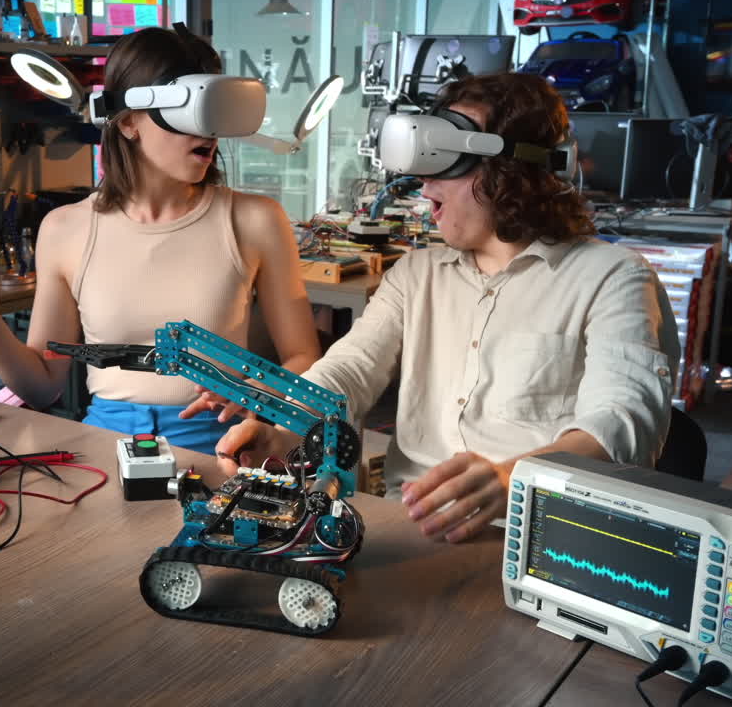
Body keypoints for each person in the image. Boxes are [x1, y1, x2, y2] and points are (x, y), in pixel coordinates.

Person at [212, 72, 681, 541]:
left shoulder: (613, 278)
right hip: (411, 530)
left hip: (535, 541)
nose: (423, 185)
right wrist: (285, 430)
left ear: (516, 169)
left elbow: (623, 422)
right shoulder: (416, 275)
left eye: (447, 164)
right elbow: (348, 371)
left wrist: (514, 480)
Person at [0, 27, 321, 454]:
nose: (208, 131)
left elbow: (305, 359)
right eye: (189, 109)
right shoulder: (65, 230)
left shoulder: (255, 220)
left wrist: (253, 390)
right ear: (130, 120)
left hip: (223, 445)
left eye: (215, 109)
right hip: (105, 445)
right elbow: (45, 384)